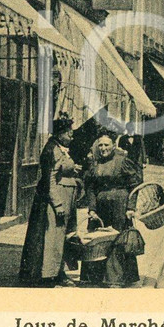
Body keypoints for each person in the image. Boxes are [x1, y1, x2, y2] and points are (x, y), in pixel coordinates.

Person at [19, 114, 81, 287]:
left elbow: (60, 170)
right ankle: (49, 275)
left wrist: (72, 169)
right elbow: (50, 180)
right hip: (55, 202)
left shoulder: (60, 149)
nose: (72, 136)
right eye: (69, 133)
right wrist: (58, 204)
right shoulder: (52, 150)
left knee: (61, 237)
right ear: (60, 133)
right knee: (53, 237)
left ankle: (58, 271)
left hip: (65, 198)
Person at [81, 135, 144, 286]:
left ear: (113, 146)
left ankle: (115, 278)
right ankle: (94, 278)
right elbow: (90, 187)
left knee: (118, 240)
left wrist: (130, 207)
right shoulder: (95, 163)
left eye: (106, 145)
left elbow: (135, 185)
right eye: (100, 145)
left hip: (119, 205)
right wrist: (92, 209)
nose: (103, 148)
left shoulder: (122, 161)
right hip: (100, 206)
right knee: (97, 240)